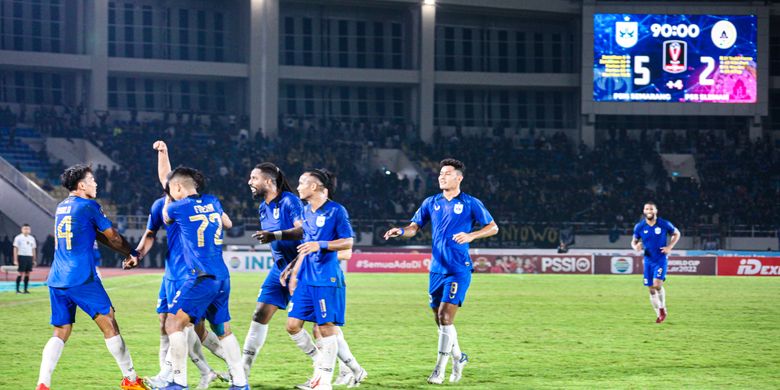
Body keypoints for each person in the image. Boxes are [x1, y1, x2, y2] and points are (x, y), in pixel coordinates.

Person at [383, 158, 499, 384]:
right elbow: (414, 228)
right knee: (439, 319)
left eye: (447, 173)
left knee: (446, 317)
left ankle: (439, 369)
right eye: (440, 174)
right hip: (436, 269)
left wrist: (471, 235)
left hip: (458, 269)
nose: (441, 177)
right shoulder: (431, 202)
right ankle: (459, 357)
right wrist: (399, 230)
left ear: (459, 178)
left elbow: (493, 227)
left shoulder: (470, 203)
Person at [247, 165, 362, 387]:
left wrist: (319, 245)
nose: (297, 186)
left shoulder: (335, 211)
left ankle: (327, 379)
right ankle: (350, 369)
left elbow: (347, 245)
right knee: (293, 325)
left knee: (324, 327)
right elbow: (304, 247)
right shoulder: (307, 212)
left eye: (301, 183)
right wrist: (293, 269)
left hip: (324, 278)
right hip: (303, 274)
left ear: (314, 186)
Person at [36, 164, 149, 390]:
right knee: (110, 323)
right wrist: (133, 252)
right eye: (92, 180)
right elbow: (113, 237)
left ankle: (43, 383)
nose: (96, 183)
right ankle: (131, 380)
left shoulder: (62, 207)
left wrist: (129, 253)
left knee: (61, 331)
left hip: (57, 278)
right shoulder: (89, 206)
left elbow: (98, 236)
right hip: (81, 278)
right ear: (81, 185)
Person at [140, 141, 228, 389]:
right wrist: (136, 253)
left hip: (191, 275)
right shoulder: (161, 205)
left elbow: (166, 180)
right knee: (167, 324)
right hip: (171, 274)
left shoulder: (184, 206)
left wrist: (164, 153)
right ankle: (171, 374)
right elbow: (149, 233)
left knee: (190, 327)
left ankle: (231, 365)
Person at [161, 166, 248, 390]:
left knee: (173, 323)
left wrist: (169, 195)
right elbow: (227, 224)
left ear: (178, 187)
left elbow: (165, 217)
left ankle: (178, 382)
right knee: (222, 329)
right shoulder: (213, 201)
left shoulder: (178, 207)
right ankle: (240, 383)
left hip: (200, 276)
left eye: (172, 188)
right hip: (222, 274)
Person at [631, 202, 681, 324]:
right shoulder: (640, 226)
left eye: (651, 209)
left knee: (657, 284)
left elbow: (677, 233)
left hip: (660, 259)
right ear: (644, 211)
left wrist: (670, 247)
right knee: (651, 289)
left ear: (655, 211)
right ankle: (659, 314)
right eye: (647, 209)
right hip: (648, 260)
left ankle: (662, 308)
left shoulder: (663, 224)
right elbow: (633, 241)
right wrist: (635, 246)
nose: (649, 211)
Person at [13, 224, 37, 293]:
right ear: (22, 229)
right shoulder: (18, 238)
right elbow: (15, 248)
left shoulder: (32, 238)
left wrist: (34, 259)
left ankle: (25, 289)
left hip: (29, 257)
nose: (26, 230)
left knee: (28, 273)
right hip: (21, 256)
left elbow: (33, 249)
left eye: (28, 229)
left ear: (30, 230)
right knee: (20, 273)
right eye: (25, 229)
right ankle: (17, 290)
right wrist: (15, 259)